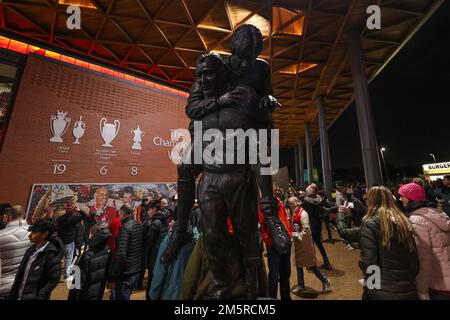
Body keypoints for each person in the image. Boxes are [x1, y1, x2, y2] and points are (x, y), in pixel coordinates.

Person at [359, 186, 419, 300]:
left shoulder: (369, 222)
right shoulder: (404, 221)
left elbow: (370, 263)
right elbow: (414, 263)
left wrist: (372, 287)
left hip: (381, 289)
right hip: (408, 288)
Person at [398, 183, 450, 300]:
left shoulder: (417, 219)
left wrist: (422, 289)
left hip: (438, 284)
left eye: (403, 196)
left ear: (411, 197)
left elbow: (424, 258)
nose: (400, 199)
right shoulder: (438, 213)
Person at [8, 218, 63, 300]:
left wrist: (41, 295)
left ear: (44, 234)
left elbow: (53, 280)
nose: (30, 235)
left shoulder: (51, 255)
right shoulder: (30, 250)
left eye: (34, 232)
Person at [288, 197, 331, 294]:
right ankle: (301, 284)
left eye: (291, 203)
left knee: (311, 265)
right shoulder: (295, 212)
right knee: (299, 265)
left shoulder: (303, 213)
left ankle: (325, 280)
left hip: (305, 244)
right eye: (289, 203)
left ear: (296, 203)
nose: (290, 205)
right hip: (298, 243)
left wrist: (297, 235)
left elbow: (306, 228)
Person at [259, 197, 292, 300]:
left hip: (285, 240)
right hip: (273, 243)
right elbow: (262, 223)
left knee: (286, 273)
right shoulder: (262, 203)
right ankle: (272, 298)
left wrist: (289, 234)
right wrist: (268, 241)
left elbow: (285, 219)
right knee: (274, 275)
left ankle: (286, 297)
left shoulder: (278, 201)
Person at [108, 204, 143, 300]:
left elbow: (121, 255)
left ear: (123, 214)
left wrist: (112, 277)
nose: (118, 216)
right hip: (135, 270)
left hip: (126, 273)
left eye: (119, 213)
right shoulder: (138, 225)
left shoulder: (125, 228)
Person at [68, 226, 112, 300]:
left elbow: (77, 281)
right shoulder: (107, 250)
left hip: (85, 293)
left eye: (90, 234)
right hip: (98, 291)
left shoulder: (87, 255)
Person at [0, 205, 31, 299]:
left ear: (8, 216)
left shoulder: (1, 235)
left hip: (4, 287)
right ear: (24, 214)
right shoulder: (35, 233)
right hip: (25, 284)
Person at [142, 199, 170, 298]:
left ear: (154, 209)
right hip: (161, 253)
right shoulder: (164, 219)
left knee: (151, 280)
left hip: (154, 255)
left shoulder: (155, 223)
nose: (148, 212)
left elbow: (149, 243)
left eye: (149, 210)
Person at [302, 184, 332, 270]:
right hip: (318, 224)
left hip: (310, 224)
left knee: (311, 244)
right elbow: (326, 208)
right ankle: (326, 262)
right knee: (319, 243)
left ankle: (312, 263)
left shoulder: (306, 202)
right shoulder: (320, 200)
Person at [55, 204, 89, 281]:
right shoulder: (73, 219)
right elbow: (85, 217)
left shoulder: (60, 218)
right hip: (69, 242)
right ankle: (66, 275)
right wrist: (79, 210)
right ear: (73, 211)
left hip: (60, 241)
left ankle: (54, 273)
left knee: (58, 258)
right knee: (69, 258)